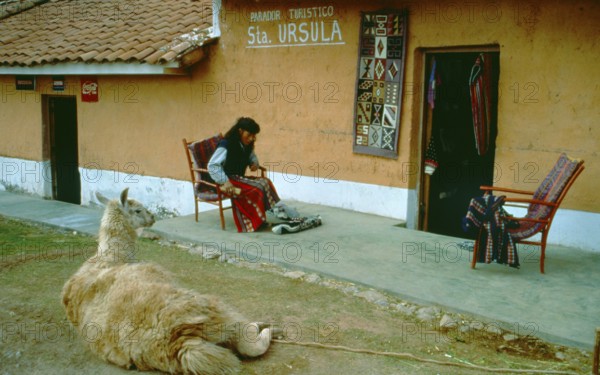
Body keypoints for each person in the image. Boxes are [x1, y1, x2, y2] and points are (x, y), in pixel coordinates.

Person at [208, 117, 280, 232]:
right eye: (249, 134)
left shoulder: (246, 144)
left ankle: (269, 215)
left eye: (253, 135)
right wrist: (225, 181)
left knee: (265, 181)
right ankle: (253, 221)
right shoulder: (226, 144)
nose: (252, 138)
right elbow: (212, 166)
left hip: (239, 178)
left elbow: (252, 156)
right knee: (257, 188)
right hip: (228, 180)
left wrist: (254, 163)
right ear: (240, 131)